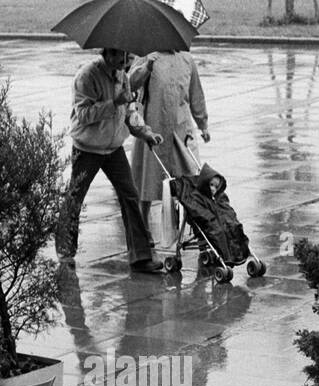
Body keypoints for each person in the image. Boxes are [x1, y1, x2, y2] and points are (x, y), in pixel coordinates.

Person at [56, 47, 166, 275]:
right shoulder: (87, 76)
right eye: (119, 56)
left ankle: (141, 257)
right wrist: (114, 102)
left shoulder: (122, 76)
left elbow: (130, 112)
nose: (124, 61)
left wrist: (145, 133)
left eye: (127, 56)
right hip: (87, 147)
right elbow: (84, 114)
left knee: (130, 196)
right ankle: (65, 251)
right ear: (107, 54)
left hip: (113, 148)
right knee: (75, 197)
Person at [128, 51, 210, 236]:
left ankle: (197, 226)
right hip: (153, 126)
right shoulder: (148, 56)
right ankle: (143, 226)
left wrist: (202, 123)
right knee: (147, 178)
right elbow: (130, 84)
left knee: (189, 177)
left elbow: (196, 94)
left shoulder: (187, 59)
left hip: (181, 130)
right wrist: (146, 67)